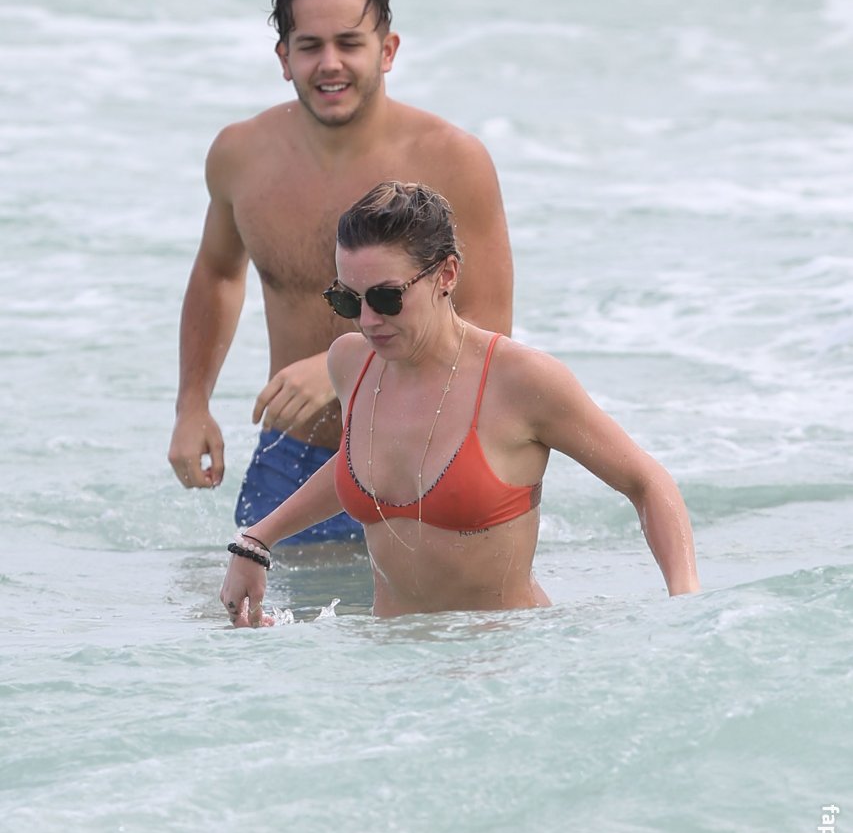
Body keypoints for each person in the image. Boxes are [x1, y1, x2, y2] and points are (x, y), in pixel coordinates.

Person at [219, 182, 700, 625]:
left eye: (386, 298)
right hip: (388, 662)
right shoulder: (351, 363)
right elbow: (365, 463)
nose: (366, 320)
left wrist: (686, 608)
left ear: (445, 275)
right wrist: (259, 539)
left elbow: (647, 482)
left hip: (503, 661)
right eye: (348, 300)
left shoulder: (519, 380)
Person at [168, 0, 512, 543]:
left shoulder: (452, 160)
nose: (330, 63)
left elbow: (491, 330)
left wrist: (347, 368)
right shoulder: (241, 157)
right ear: (284, 58)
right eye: (310, 46)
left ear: (387, 51)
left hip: (424, 451)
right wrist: (191, 405)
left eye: (350, 43)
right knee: (247, 598)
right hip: (292, 455)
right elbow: (218, 275)